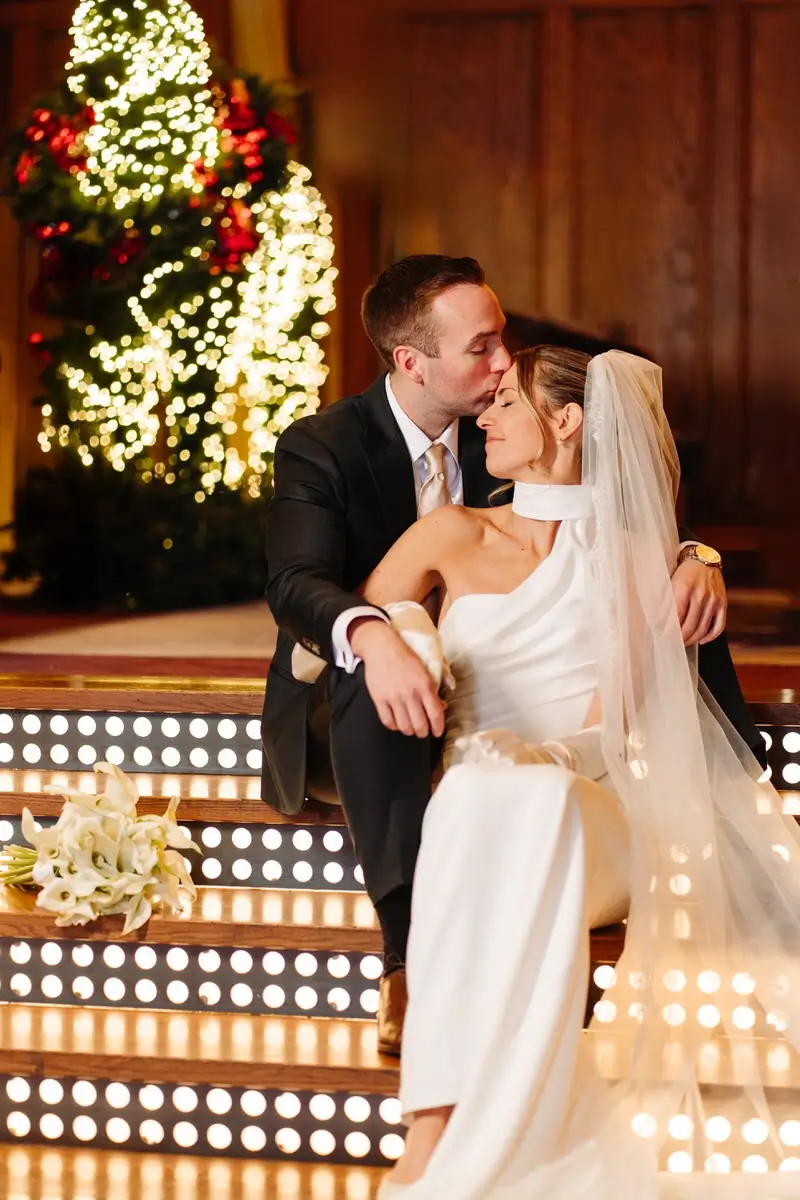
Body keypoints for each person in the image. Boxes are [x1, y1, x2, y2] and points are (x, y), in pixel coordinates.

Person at [260, 254, 754, 1055]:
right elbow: (297, 585)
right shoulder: (327, 448)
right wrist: (387, 635)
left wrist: (695, 555)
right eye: (483, 349)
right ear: (412, 363)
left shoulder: (511, 445)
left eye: (504, 352)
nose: (498, 375)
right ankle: (406, 955)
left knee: (527, 811)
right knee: (374, 661)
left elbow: (614, 495)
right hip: (372, 707)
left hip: (546, 766)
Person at [367, 348, 800, 1197]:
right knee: (481, 794)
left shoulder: (642, 555)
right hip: (470, 808)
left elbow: (618, 725)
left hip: (589, 807)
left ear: (565, 422)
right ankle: (438, 1128)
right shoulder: (449, 532)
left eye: (505, 405)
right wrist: (405, 635)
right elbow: (360, 617)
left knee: (516, 794)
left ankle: (440, 1135)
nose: (482, 419)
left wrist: (537, 761)